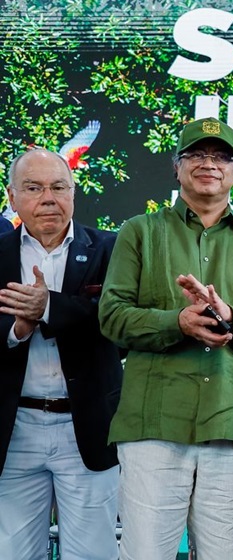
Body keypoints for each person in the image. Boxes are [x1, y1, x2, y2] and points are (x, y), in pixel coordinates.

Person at [98, 117, 233, 559]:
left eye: (222, 156)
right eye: (198, 155)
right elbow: (111, 317)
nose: (210, 164)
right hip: (153, 424)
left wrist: (231, 315)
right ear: (178, 167)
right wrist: (177, 322)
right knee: (146, 554)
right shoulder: (139, 232)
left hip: (229, 425)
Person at [0, 148, 122, 559]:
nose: (48, 198)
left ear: (74, 193)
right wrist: (18, 328)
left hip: (87, 426)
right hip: (14, 429)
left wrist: (48, 307)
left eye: (58, 187)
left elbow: (117, 325)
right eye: (33, 188)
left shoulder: (111, 250)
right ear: (12, 197)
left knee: (93, 553)